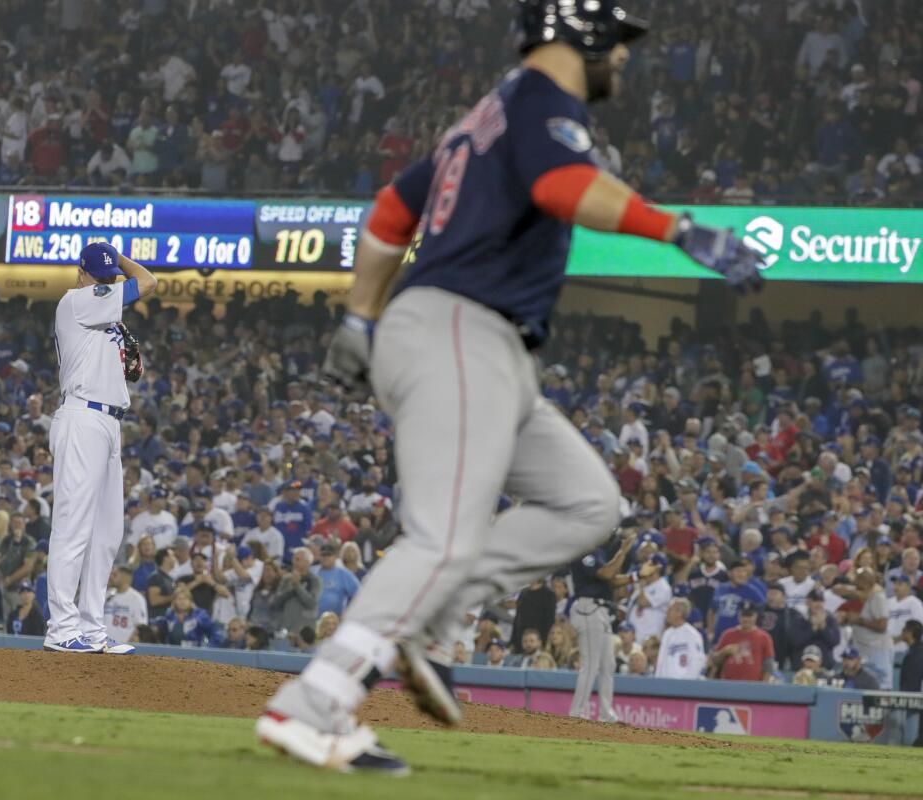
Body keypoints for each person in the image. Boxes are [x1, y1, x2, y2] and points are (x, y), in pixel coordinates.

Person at [257, 0, 763, 773]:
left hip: (476, 345)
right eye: (617, 40)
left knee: (587, 502)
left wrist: (361, 317)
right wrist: (679, 230)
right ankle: (313, 703)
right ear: (580, 33)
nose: (623, 57)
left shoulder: (488, 112)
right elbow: (566, 187)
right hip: (462, 331)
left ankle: (430, 625)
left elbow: (393, 211)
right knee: (443, 538)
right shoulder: (539, 102)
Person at [44, 241, 155, 654]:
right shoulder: (75, 301)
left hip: (110, 423)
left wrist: (113, 267)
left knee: (108, 532)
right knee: (73, 526)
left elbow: (134, 371)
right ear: (81, 274)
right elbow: (148, 282)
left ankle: (91, 627)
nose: (107, 284)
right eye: (101, 277)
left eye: (110, 279)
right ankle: (61, 629)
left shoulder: (107, 317)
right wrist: (122, 259)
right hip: (82, 417)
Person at [567, 531, 636, 722]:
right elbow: (606, 573)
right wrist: (623, 551)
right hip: (588, 608)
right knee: (591, 665)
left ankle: (606, 714)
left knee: (608, 665)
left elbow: (611, 580)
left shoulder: (598, 552)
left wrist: (636, 577)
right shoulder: (584, 550)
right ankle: (576, 714)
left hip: (601, 610)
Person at [845, 567, 893, 689]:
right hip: (864, 649)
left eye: (860, 579)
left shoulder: (878, 597)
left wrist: (859, 620)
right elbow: (839, 589)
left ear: (870, 581)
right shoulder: (864, 595)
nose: (857, 582)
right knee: (864, 686)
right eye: (857, 579)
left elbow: (882, 625)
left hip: (878, 649)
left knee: (880, 686)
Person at [710, 603, 774, 682]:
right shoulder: (728, 634)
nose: (746, 619)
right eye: (743, 615)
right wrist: (724, 652)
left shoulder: (764, 637)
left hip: (753, 685)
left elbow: (768, 666)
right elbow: (714, 661)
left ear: (756, 616)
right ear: (738, 616)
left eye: (749, 615)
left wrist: (764, 687)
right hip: (728, 684)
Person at [272, 547, 321, 637]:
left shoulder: (314, 580)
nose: (294, 562)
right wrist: (291, 590)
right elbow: (277, 603)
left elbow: (311, 603)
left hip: (305, 630)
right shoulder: (286, 579)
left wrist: (297, 587)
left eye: (298, 560)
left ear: (307, 562)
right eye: (294, 559)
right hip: (286, 628)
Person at [654, 598, 705, 679]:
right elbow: (660, 662)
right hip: (664, 685)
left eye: (670, 610)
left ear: (679, 613)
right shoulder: (667, 634)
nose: (667, 613)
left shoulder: (692, 634)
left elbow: (698, 662)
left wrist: (685, 685)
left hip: (683, 686)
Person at [312, 542, 360, 617]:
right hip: (312, 619)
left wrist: (349, 613)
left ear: (335, 557)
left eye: (329, 555)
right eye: (323, 555)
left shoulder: (343, 574)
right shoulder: (312, 571)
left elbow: (358, 593)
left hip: (334, 620)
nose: (326, 558)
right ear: (319, 556)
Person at [103, 564, 147, 645]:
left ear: (125, 578)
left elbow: (141, 627)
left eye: (115, 575)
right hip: (102, 645)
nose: (111, 577)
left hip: (123, 648)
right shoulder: (108, 594)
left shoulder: (137, 599)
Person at [897, 620, 923, 747]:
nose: (901, 632)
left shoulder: (918, 652)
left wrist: (907, 699)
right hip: (912, 700)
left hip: (914, 702)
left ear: (910, 632)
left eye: (904, 630)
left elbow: (913, 680)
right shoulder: (914, 650)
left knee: (910, 740)